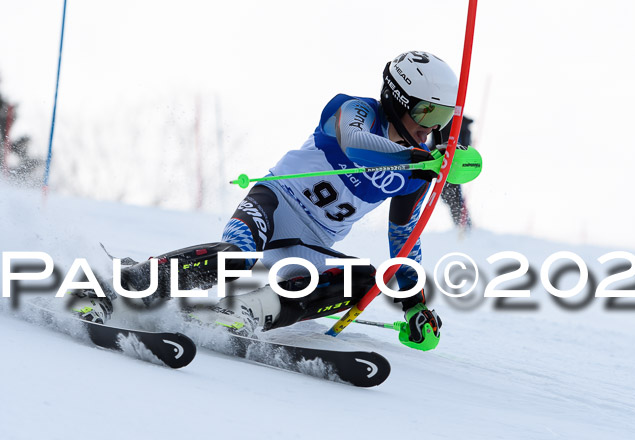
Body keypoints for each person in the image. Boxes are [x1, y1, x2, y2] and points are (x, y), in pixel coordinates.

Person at [76, 51, 458, 350]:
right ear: (396, 98)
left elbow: (405, 237)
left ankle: (247, 311)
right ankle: (120, 286)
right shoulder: (354, 110)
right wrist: (412, 159)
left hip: (310, 244)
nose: (431, 127)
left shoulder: (419, 166)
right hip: (274, 204)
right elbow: (354, 144)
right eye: (426, 111)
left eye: (440, 116)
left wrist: (414, 304)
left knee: (368, 281)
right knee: (236, 257)